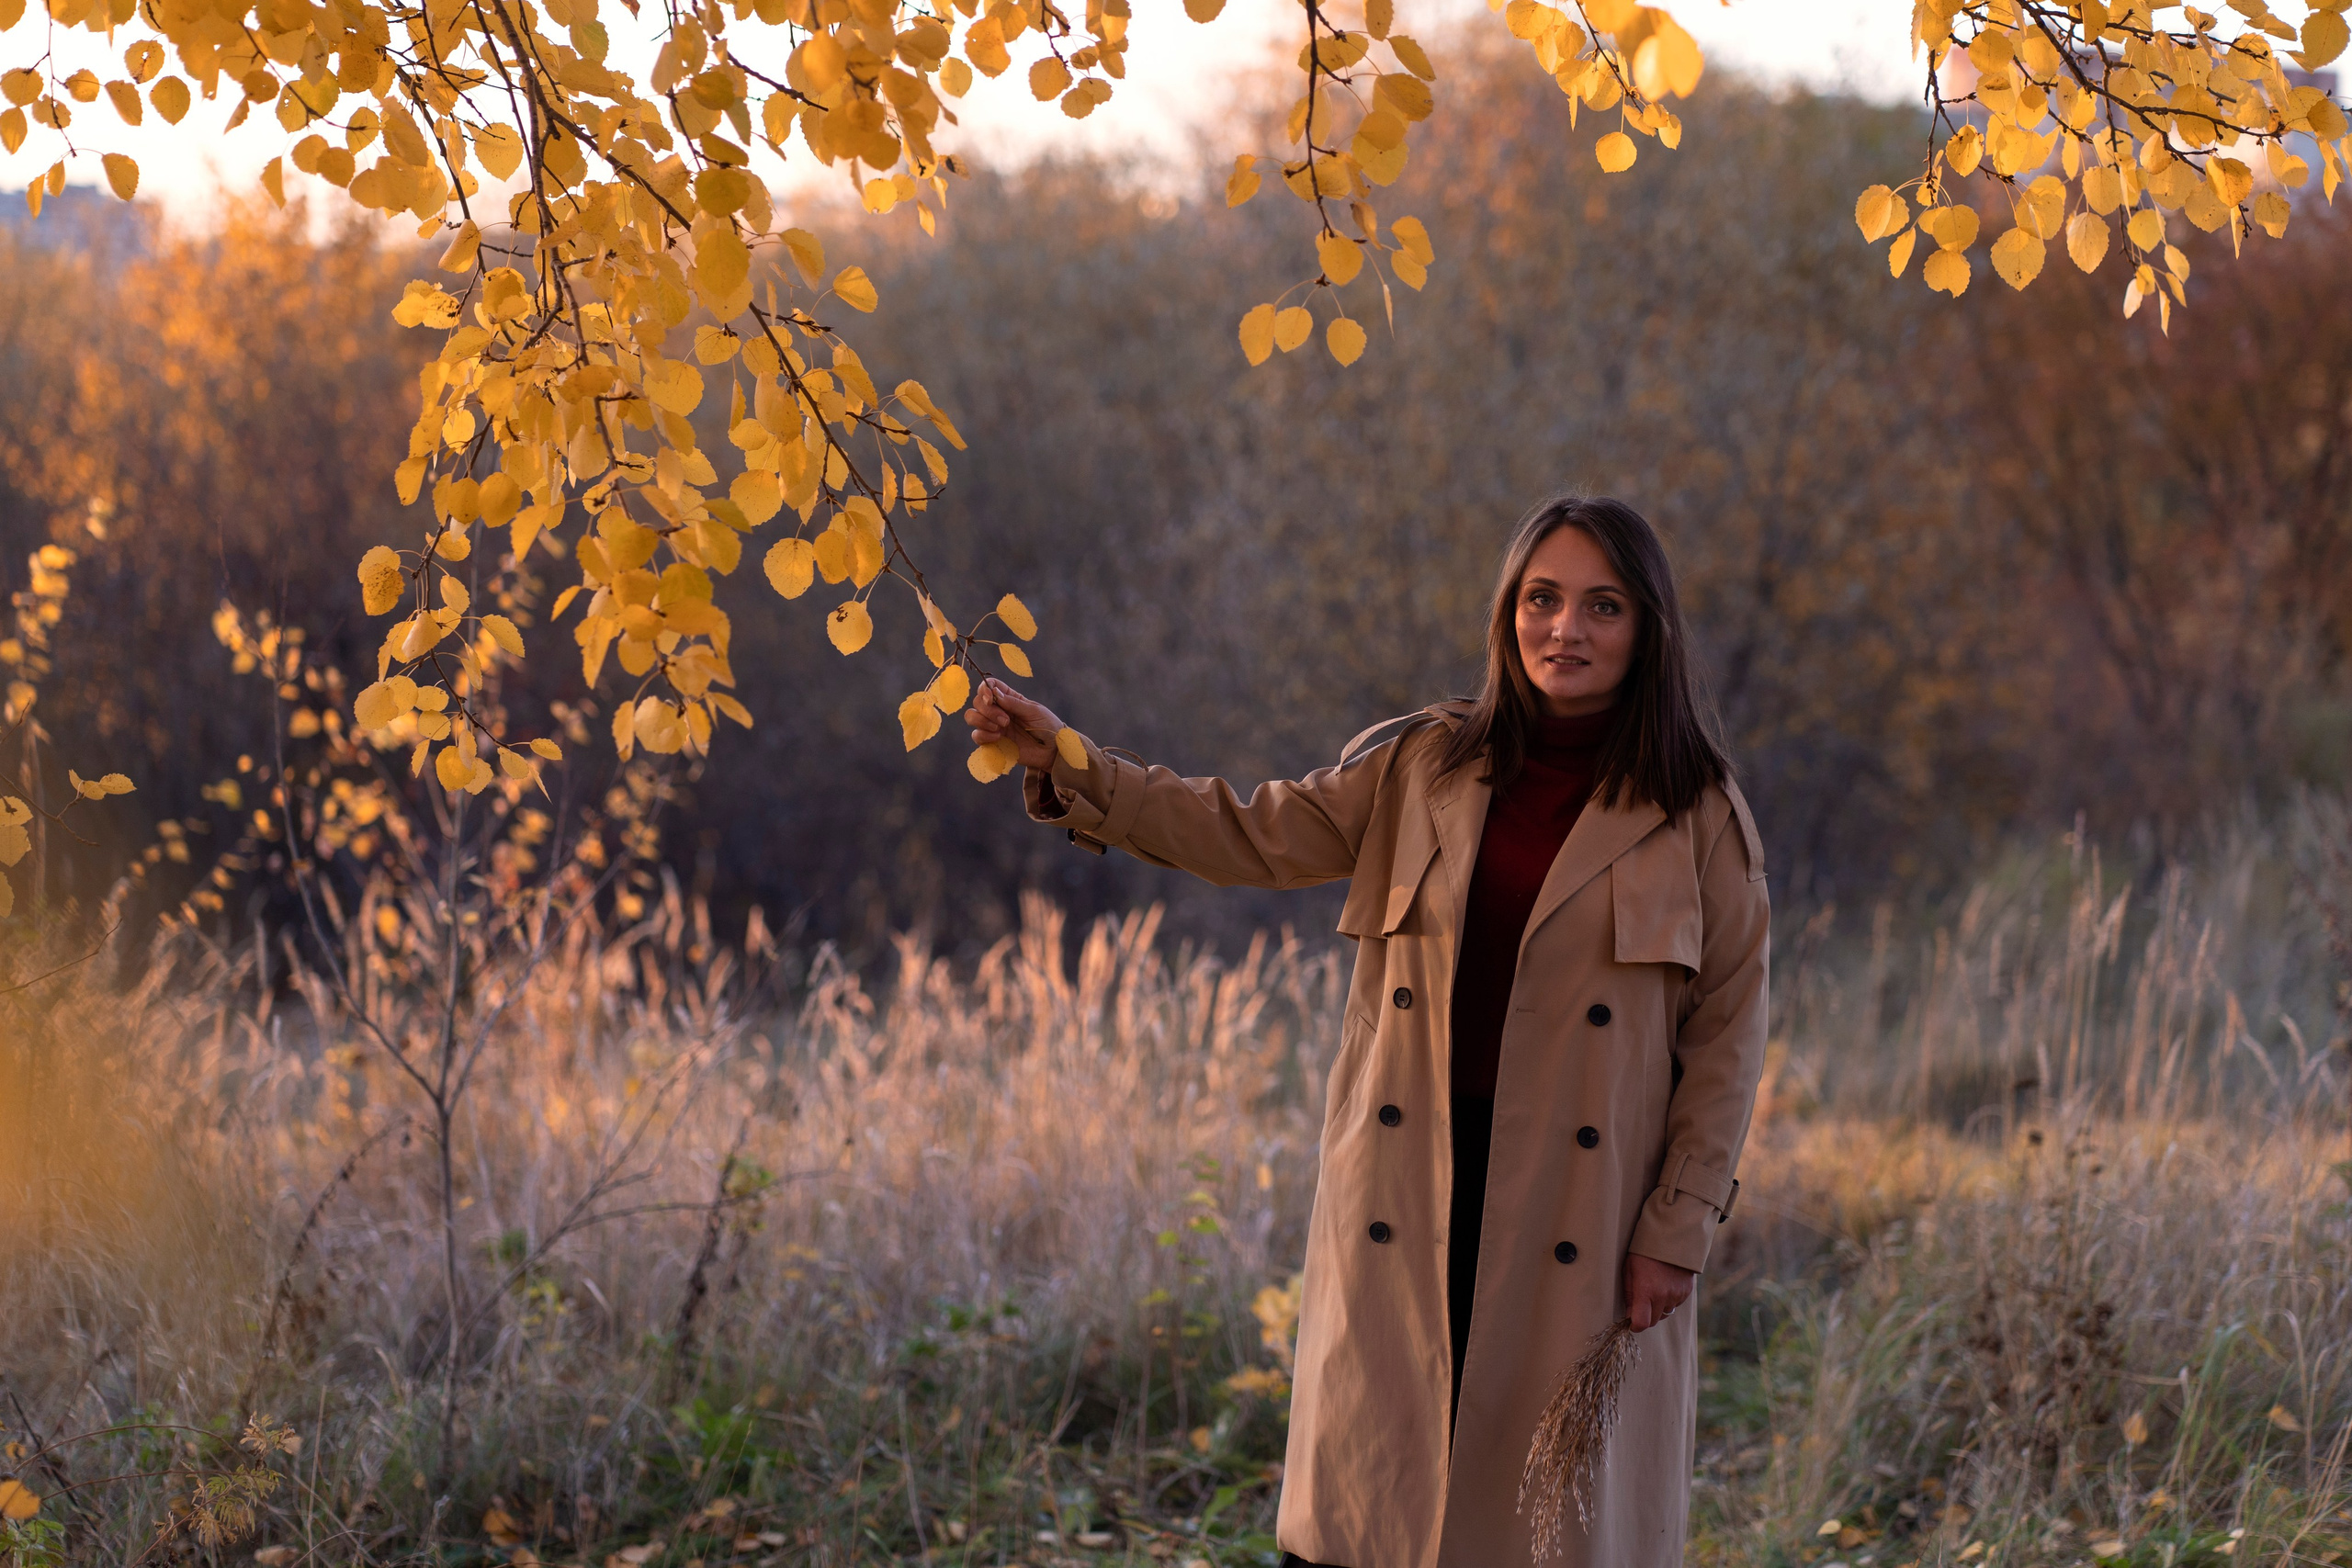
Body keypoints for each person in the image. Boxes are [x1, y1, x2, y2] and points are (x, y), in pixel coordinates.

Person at [965, 495, 1770, 1568]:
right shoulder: (1421, 767)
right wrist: (1072, 763)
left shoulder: (1697, 812)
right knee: (1376, 1504)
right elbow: (1245, 833)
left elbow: (1727, 1037)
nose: (1564, 629)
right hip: (1406, 1187)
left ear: (1647, 627)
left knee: (1546, 1524)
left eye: (1601, 606)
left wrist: (1676, 1228)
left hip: (1583, 1206)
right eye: (1541, 599)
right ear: (1507, 614)